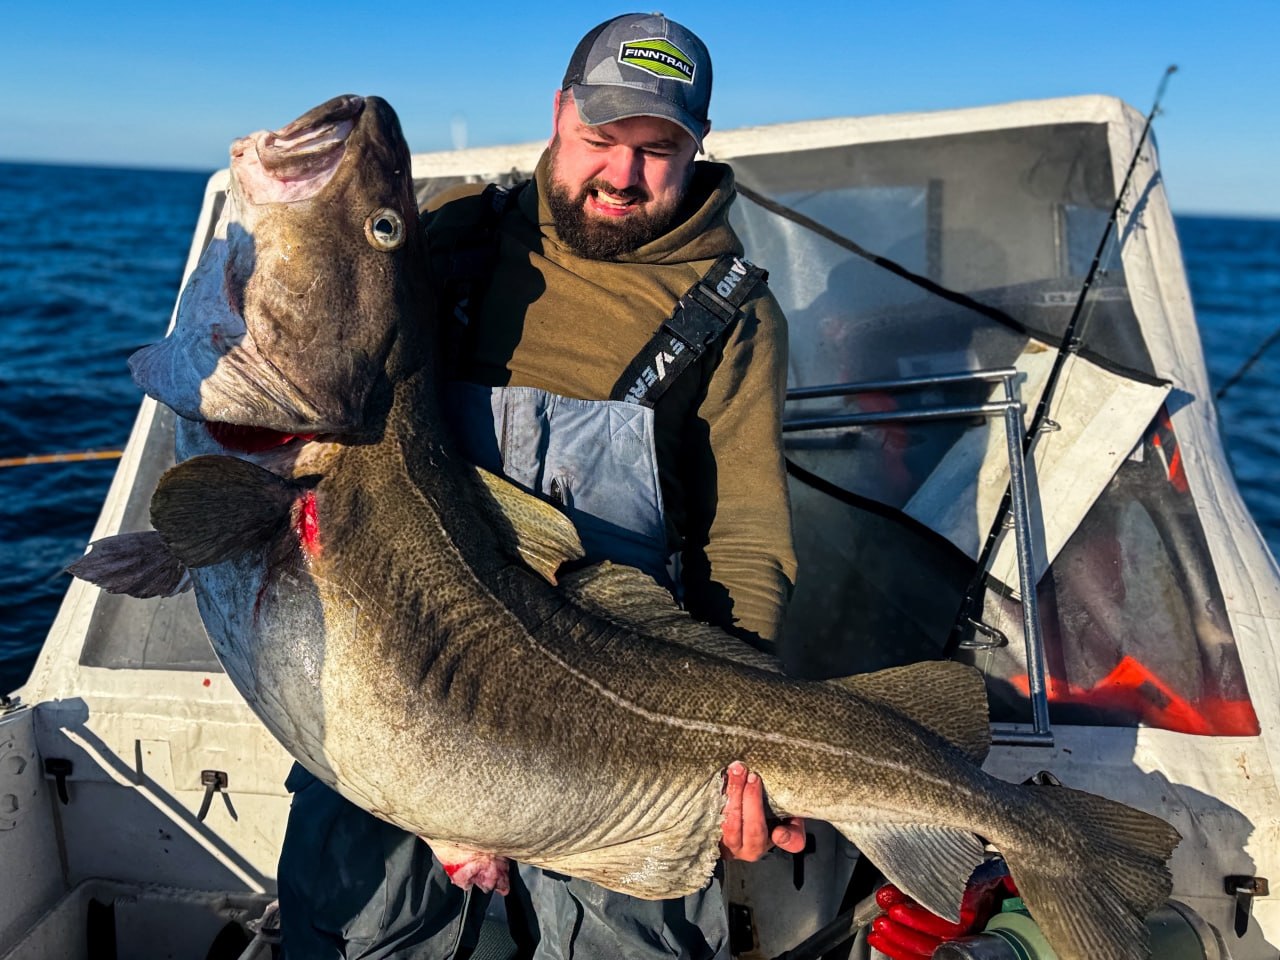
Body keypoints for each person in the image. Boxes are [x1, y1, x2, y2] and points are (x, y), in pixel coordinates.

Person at [279, 13, 800, 958]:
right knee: (358, 926)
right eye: (600, 139)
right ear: (558, 115)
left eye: (658, 150)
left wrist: (743, 736)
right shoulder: (457, 242)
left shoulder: (734, 311)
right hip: (399, 672)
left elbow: (748, 534)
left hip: (616, 700)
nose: (622, 175)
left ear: (697, 149)